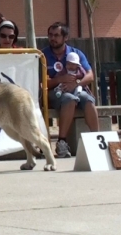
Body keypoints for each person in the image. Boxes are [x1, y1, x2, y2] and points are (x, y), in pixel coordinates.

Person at [41, 22, 99, 158]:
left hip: (76, 89)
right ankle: (62, 142)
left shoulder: (76, 53)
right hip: (53, 93)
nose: (52, 38)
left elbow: (90, 76)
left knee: (89, 99)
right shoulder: (42, 55)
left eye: (56, 35)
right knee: (69, 99)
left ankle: (97, 138)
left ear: (65, 37)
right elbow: (40, 83)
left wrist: (77, 83)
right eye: (50, 35)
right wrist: (60, 80)